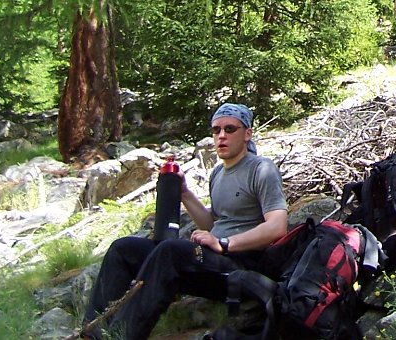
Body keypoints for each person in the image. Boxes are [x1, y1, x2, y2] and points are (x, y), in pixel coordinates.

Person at [83, 103, 288, 340]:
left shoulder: (261, 168)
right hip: (210, 259)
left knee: (172, 250)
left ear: (247, 134)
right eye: (216, 130)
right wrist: (184, 193)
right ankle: (93, 332)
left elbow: (277, 226)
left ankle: (121, 335)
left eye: (230, 129)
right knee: (124, 248)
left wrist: (224, 243)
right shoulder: (218, 174)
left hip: (241, 267)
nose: (221, 135)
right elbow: (213, 224)